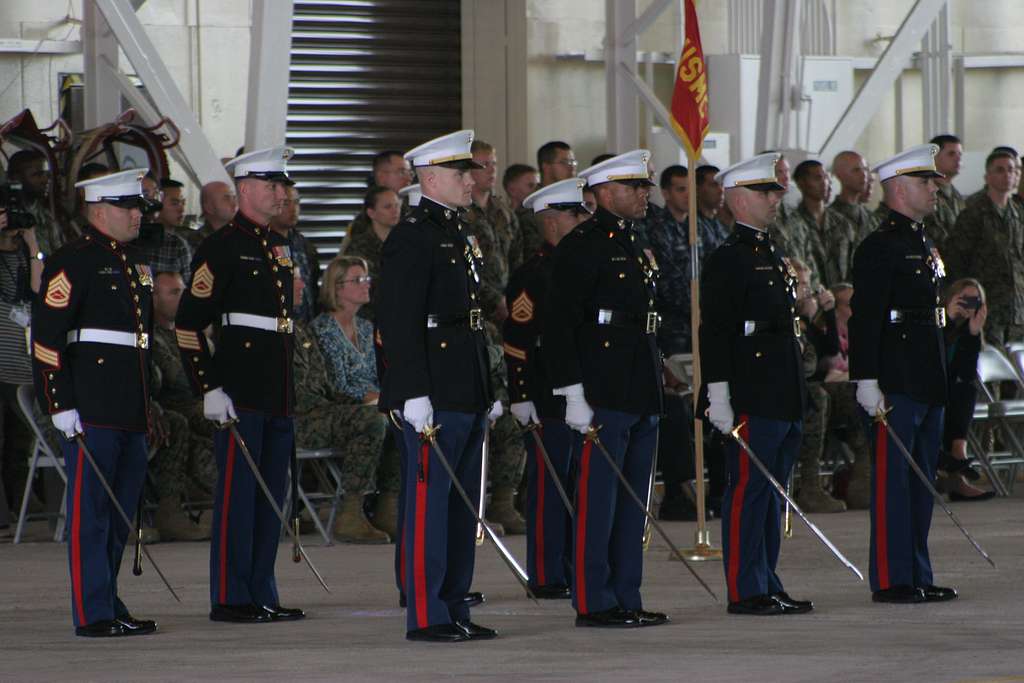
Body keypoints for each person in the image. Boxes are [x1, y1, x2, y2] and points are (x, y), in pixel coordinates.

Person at [376, 129, 499, 643]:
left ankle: (454, 605)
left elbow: (469, 319)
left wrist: (486, 387)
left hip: (464, 381)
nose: (470, 180)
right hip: (432, 387)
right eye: (459, 173)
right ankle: (427, 613)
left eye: (469, 171)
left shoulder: (456, 232)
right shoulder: (413, 235)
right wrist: (411, 392)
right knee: (430, 504)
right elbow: (398, 320)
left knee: (461, 504)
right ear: (429, 178)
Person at [174, 145, 306, 624]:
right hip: (240, 388)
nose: (281, 193)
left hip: (276, 387)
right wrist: (208, 385)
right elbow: (189, 324)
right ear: (244, 190)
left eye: (282, 185)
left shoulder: (278, 245)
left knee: (272, 496)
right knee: (239, 498)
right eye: (272, 185)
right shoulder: (222, 246)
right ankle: (232, 597)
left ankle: (262, 592)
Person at [30, 168, 158, 637]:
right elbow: (46, 338)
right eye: (127, 208)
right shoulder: (74, 261)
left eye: (137, 207)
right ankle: (93, 612)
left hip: (130, 405)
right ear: (99, 210)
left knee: (120, 512)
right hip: (91, 406)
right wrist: (58, 402)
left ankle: (109, 598)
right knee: (92, 516)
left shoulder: (136, 262)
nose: (136, 216)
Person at [544, 149, 668, 629]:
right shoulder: (582, 245)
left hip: (638, 383)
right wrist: (572, 391)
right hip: (601, 387)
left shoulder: (636, 241)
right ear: (602, 192)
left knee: (633, 501)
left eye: (644, 185)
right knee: (600, 502)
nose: (644, 194)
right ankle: (595, 600)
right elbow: (559, 324)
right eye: (634, 186)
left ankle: (626, 595)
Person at [699, 152, 811, 617]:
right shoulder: (728, 259)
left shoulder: (770, 251)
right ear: (739, 199)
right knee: (749, 491)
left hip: (782, 382)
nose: (774, 199)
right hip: (751, 386)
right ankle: (746, 588)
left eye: (775, 191)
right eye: (765, 192)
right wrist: (718, 392)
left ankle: (767, 579)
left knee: (774, 491)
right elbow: (717, 330)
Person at [850, 143, 957, 605]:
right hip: (895, 376)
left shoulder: (923, 241)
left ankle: (917, 570)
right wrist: (866, 378)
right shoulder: (879, 246)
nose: (934, 188)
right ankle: (893, 578)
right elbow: (865, 316)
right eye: (924, 181)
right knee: (894, 482)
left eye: (933, 181)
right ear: (896, 187)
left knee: (920, 483)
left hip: (926, 373)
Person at [503, 178, 591, 599]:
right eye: (577, 215)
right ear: (553, 222)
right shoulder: (533, 275)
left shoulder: (582, 265)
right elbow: (517, 343)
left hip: (582, 391)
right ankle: (546, 573)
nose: (584, 221)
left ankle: (576, 566)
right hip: (546, 392)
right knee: (550, 489)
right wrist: (521, 395)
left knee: (579, 485)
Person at [303, 259, 399, 542]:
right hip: (335, 409)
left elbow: (380, 373)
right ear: (337, 287)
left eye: (366, 279)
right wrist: (378, 399)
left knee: (402, 417)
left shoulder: (367, 328)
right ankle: (350, 510)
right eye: (357, 280)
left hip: (373, 403)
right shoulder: (322, 330)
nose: (366, 284)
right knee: (375, 420)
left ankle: (389, 505)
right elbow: (336, 385)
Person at [463, 140, 528, 534]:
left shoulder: (503, 210)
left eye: (493, 163)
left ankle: (505, 499)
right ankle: (477, 502)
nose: (489, 170)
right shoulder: (461, 213)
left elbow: (517, 256)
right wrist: (494, 301)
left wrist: (515, 303)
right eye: (482, 164)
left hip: (507, 319)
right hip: (476, 316)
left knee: (511, 402)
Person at [149, 270, 217, 541]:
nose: (183, 297)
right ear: (153, 298)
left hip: (197, 408)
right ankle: (171, 511)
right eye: (174, 292)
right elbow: (180, 379)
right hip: (175, 407)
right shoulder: (151, 337)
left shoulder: (187, 333)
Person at [943, 148, 1024, 348]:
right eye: (1000, 170)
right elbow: (956, 263)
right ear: (987, 176)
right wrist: (968, 307)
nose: (1007, 175)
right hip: (987, 310)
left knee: (1017, 373)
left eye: (1012, 170)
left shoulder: (1019, 214)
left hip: (1017, 309)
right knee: (989, 368)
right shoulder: (973, 215)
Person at [0, 204, 45, 536]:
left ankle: (18, 507)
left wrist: (33, 245)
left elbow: (38, 291)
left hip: (22, 362)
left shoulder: (23, 254)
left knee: (21, 444)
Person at [939, 278, 994, 502]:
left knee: (966, 388)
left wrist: (972, 333)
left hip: (949, 394)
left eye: (975, 300)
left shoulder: (967, 333)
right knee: (961, 391)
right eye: (964, 298)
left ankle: (957, 454)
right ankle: (958, 454)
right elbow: (933, 356)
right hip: (925, 388)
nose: (969, 304)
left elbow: (967, 373)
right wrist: (949, 320)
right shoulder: (935, 322)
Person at [788, 159, 858, 287]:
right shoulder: (794, 223)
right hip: (812, 298)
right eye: (817, 178)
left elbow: (854, 263)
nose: (824, 183)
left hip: (844, 299)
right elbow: (796, 264)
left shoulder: (842, 222)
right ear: (801, 183)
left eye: (826, 177)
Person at [339, 186, 402, 322]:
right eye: (387, 207)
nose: (395, 211)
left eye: (397, 205)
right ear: (371, 213)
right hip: (367, 320)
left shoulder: (404, 243)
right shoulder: (359, 247)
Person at [339, 151, 413, 253]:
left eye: (410, 172)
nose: (409, 178)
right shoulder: (363, 223)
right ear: (381, 177)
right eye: (402, 172)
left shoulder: (412, 210)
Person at [270, 185, 320, 323]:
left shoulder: (304, 244)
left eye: (297, 202)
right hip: (278, 326)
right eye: (286, 203)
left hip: (305, 328)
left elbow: (313, 289)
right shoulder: (261, 244)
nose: (294, 209)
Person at [519, 142, 578, 257]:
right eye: (564, 162)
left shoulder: (573, 200)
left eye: (573, 162)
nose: (571, 167)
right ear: (546, 166)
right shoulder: (531, 205)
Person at [131, 173, 192, 283]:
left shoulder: (176, 244)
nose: (151, 201)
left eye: (155, 194)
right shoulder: (120, 239)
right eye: (144, 194)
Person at [6, 149, 66, 256]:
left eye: (46, 174)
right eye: (37, 175)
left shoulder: (46, 213)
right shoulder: (8, 219)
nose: (45, 180)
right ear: (16, 179)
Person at [924, 135, 966, 250]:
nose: (958, 159)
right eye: (951, 154)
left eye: (960, 154)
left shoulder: (957, 196)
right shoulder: (924, 193)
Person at [830, 150, 878, 245]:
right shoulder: (828, 218)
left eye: (865, 169)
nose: (864, 175)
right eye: (856, 170)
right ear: (840, 175)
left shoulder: (872, 218)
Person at [188, 180, 238, 249]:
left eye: (234, 197)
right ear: (209, 208)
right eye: (227, 198)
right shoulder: (197, 242)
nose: (235, 204)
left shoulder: (243, 236)